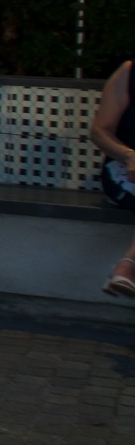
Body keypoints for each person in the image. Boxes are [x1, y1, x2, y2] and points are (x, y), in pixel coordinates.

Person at [85, 61, 135, 297]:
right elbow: (99, 131)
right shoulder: (129, 72)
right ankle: (128, 266)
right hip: (125, 168)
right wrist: (129, 155)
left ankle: (126, 267)